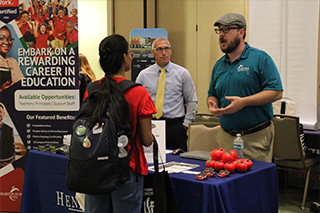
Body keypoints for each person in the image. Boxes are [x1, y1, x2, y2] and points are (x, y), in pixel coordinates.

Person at [84, 34, 156, 213]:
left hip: (95, 168)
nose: (131, 57)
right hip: (127, 167)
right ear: (124, 57)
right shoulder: (138, 93)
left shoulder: (92, 89)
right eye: (130, 53)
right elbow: (147, 140)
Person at [207, 13, 283, 162]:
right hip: (226, 139)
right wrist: (212, 103)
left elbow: (276, 92)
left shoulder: (260, 59)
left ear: (241, 32)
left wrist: (244, 102)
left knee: (254, 183)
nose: (221, 35)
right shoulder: (219, 65)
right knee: (226, 183)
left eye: (226, 30)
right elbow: (212, 93)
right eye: (219, 31)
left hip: (255, 139)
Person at [136, 37, 198, 151]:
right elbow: (136, 101)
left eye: (166, 49)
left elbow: (192, 100)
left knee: (179, 162)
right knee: (152, 160)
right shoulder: (144, 75)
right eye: (159, 49)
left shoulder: (182, 73)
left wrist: (186, 124)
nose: (164, 53)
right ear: (153, 52)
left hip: (175, 126)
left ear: (171, 51)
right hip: (152, 125)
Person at [0, 26, 24, 92]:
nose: (7, 42)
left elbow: (22, 84)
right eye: (2, 38)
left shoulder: (13, 61)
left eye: (9, 39)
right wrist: (1, 90)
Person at [0, 103, 15, 168]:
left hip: (6, 165)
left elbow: (12, 149)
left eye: (0, 112)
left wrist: (11, 163)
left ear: (3, 114)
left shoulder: (9, 130)